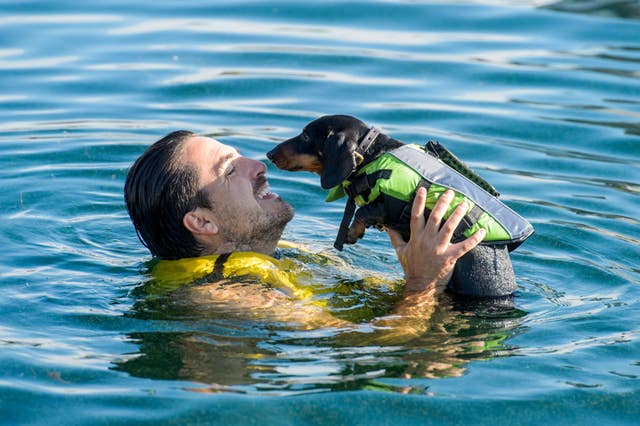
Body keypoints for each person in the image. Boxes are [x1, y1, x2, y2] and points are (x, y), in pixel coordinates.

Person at [124, 130, 487, 316]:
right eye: (229, 169)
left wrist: (418, 260)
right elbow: (374, 345)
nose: (259, 164)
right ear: (202, 221)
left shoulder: (274, 257)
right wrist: (423, 285)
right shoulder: (223, 293)